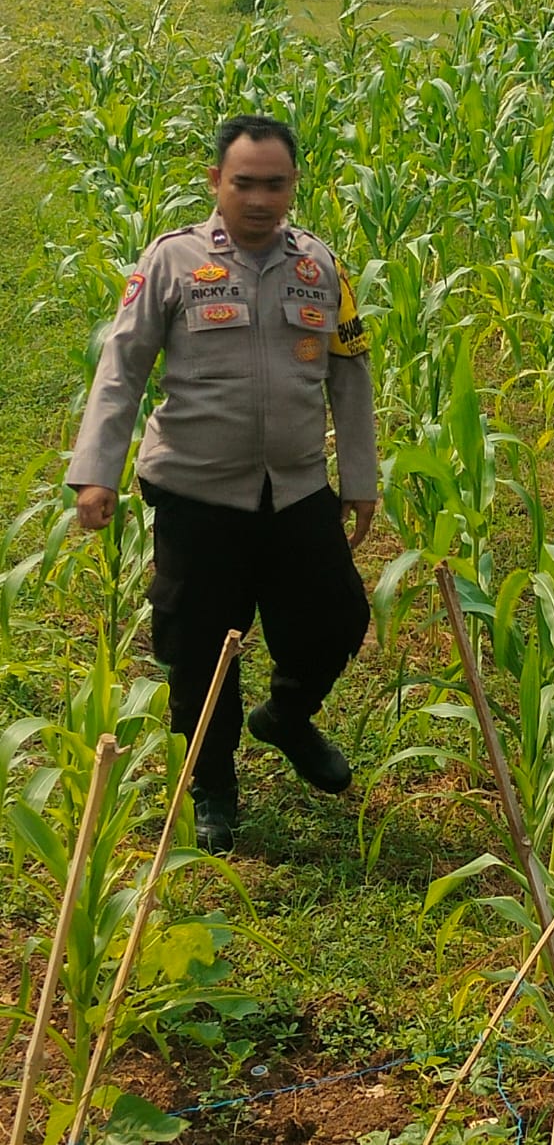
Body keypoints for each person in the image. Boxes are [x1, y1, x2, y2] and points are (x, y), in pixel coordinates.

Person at [68, 115, 378, 854]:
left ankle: (287, 717)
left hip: (296, 486)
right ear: (216, 182)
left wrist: (360, 478)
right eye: (244, 183)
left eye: (276, 184)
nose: (260, 199)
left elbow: (350, 374)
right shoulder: (173, 261)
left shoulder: (320, 266)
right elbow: (122, 367)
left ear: (294, 184)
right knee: (200, 644)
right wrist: (96, 471)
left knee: (337, 617)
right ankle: (212, 784)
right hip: (197, 491)